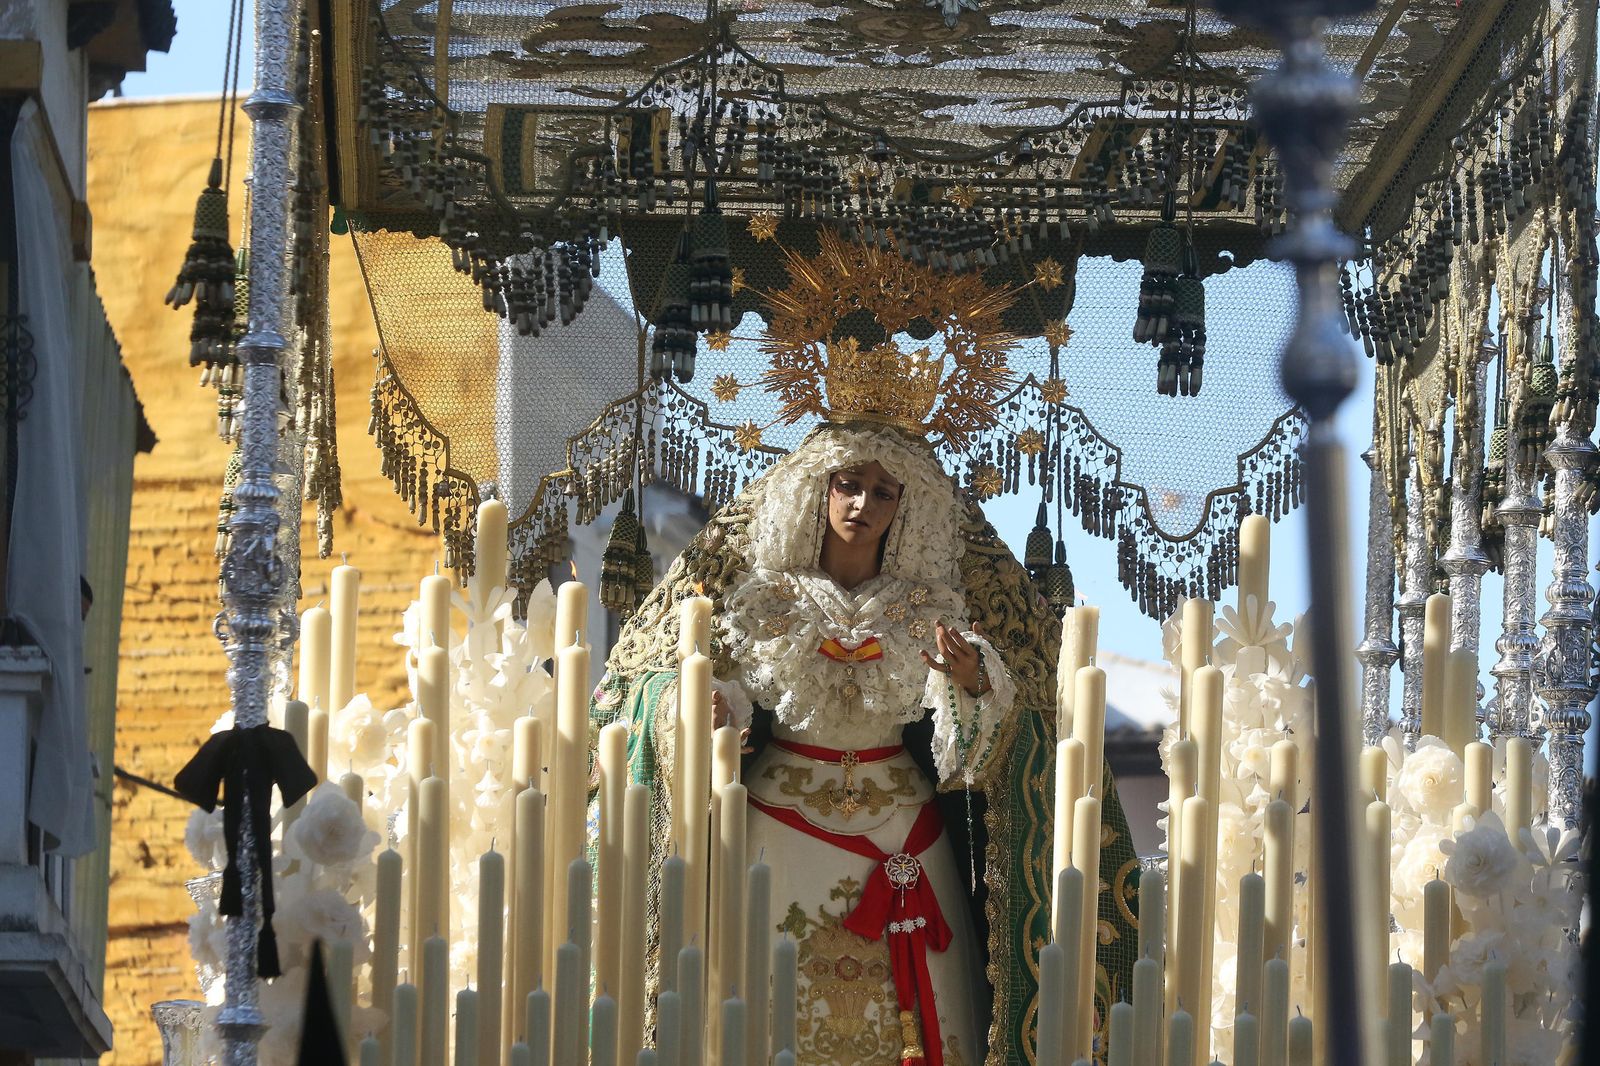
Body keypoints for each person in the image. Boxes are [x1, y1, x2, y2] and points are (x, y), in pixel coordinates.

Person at [592, 422, 1141, 1066]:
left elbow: (980, 744)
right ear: (818, 493)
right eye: (849, 486)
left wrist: (971, 681)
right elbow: (667, 686)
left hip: (905, 830)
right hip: (777, 828)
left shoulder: (930, 608)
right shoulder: (764, 599)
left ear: (906, 509)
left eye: (884, 493)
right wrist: (702, 713)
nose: (863, 506)